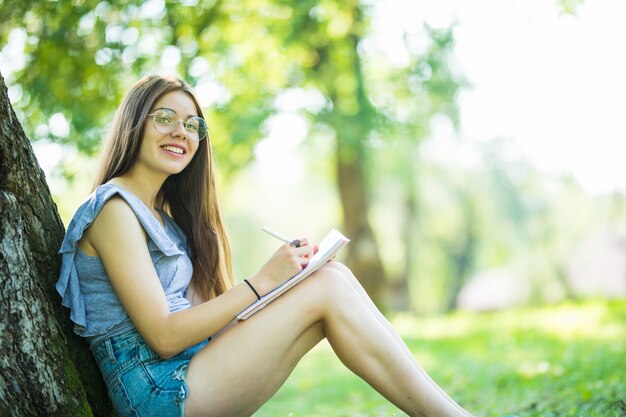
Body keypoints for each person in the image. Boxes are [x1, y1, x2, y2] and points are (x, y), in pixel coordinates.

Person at [56, 75, 474, 417]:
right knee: (327, 286)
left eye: (192, 125)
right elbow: (164, 337)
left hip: (187, 368)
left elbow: (202, 320)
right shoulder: (114, 210)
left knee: (331, 277)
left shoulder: (162, 218)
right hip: (158, 392)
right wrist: (261, 283)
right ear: (135, 124)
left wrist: (285, 283)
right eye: (165, 118)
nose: (180, 133)